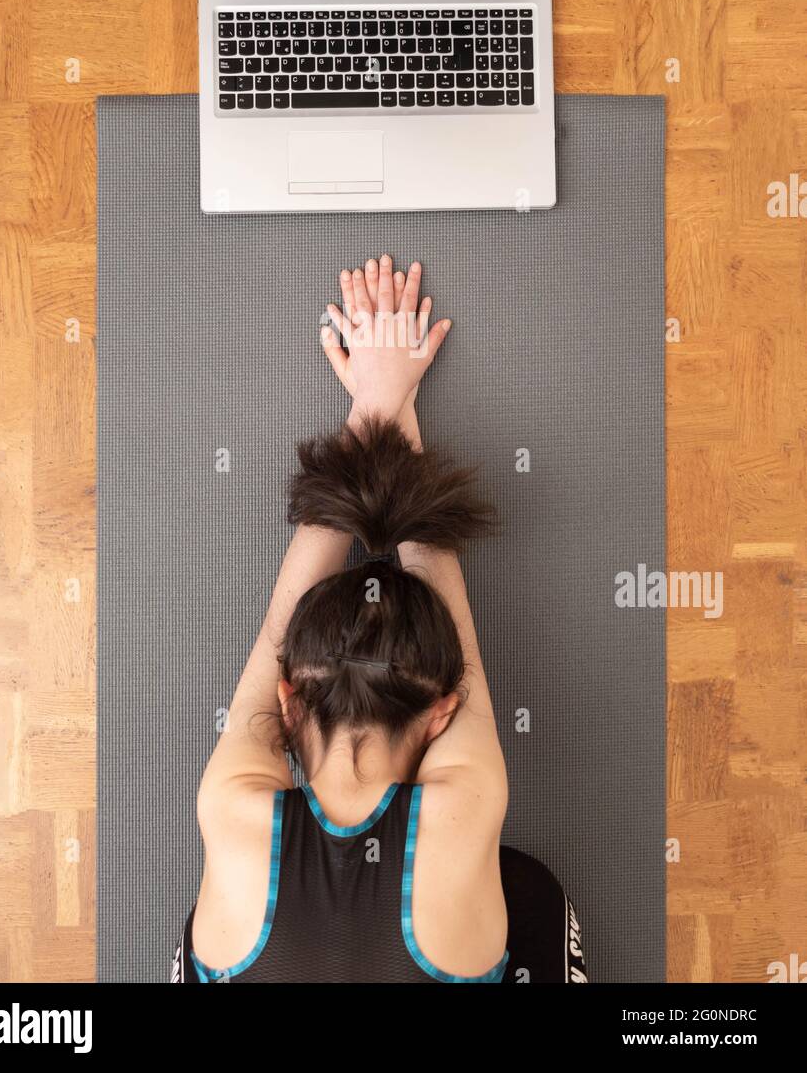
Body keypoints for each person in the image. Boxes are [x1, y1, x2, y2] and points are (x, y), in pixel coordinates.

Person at [172, 256, 586, 983]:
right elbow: (285, 637)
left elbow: (285, 626)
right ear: (443, 711)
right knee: (527, 889)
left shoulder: (232, 818)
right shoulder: (458, 820)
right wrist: (379, 406)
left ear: (288, 697)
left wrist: (380, 407)